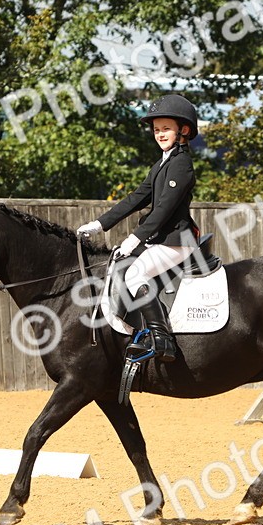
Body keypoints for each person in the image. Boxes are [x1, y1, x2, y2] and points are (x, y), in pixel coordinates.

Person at [76, 94, 201, 362]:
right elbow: (135, 198)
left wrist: (134, 238)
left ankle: (162, 339)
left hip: (176, 241)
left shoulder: (181, 164)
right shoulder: (161, 164)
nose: (160, 134)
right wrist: (100, 224)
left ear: (184, 130)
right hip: (160, 240)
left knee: (135, 275)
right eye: (156, 130)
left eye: (166, 128)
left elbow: (164, 210)